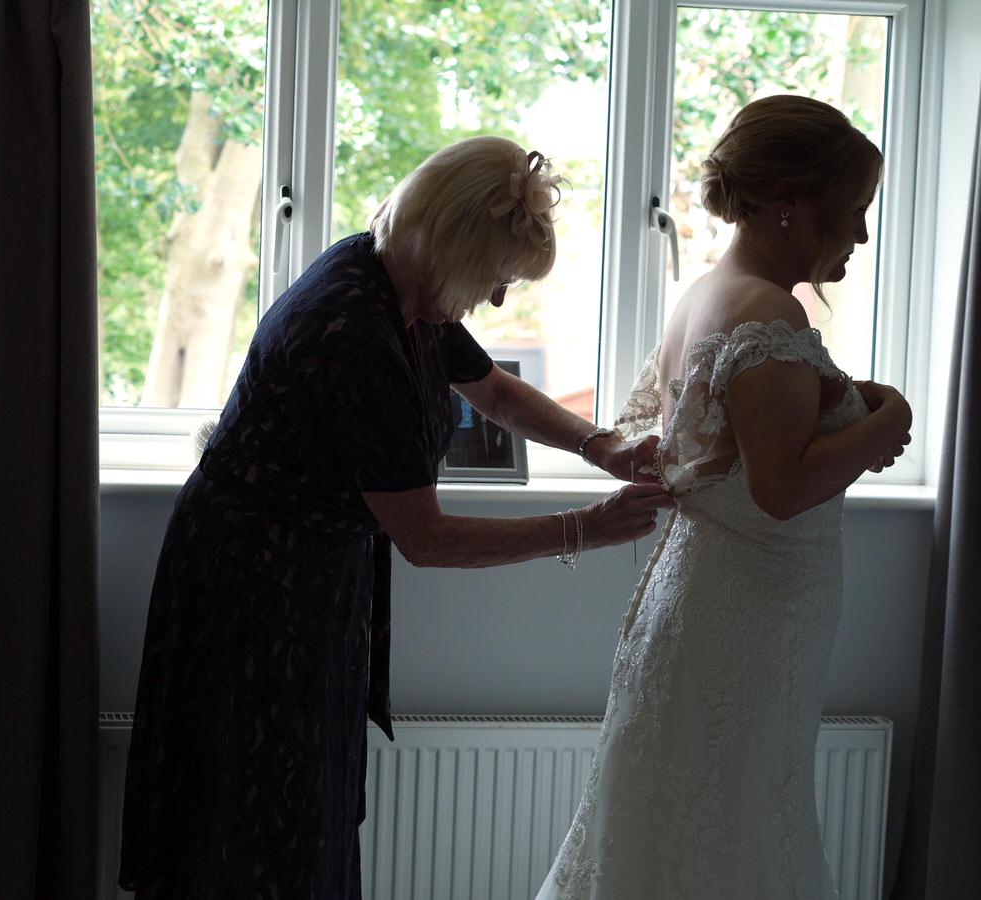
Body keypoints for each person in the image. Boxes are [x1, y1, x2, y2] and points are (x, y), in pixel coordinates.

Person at [117, 136, 675, 898]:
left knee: (304, 813)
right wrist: (585, 528)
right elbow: (427, 538)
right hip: (253, 591)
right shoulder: (355, 332)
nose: (497, 299)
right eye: (497, 278)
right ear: (453, 248)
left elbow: (495, 392)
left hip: (312, 579)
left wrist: (601, 445)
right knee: (251, 821)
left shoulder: (404, 284)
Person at [536, 95, 913, 899]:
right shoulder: (770, 311)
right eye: (854, 208)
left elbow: (744, 444)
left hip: (712, 596)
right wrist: (893, 419)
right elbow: (782, 487)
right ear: (790, 203)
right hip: (747, 613)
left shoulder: (709, 293)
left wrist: (855, 405)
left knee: (689, 819)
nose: (861, 233)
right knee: (734, 823)